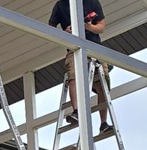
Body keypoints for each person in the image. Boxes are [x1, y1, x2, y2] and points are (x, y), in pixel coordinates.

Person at [48, 0, 112, 134]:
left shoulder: (92, 2)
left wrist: (88, 27)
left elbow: (101, 26)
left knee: (103, 84)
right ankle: (76, 111)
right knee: (73, 76)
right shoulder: (60, 5)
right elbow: (50, 28)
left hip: (95, 47)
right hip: (74, 48)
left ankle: (103, 123)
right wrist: (65, 32)